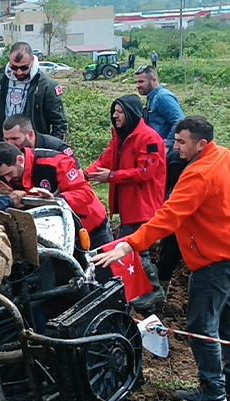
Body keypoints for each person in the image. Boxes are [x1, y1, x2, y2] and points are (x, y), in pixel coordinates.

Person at [92, 116, 230, 401]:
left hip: (215, 261)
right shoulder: (226, 156)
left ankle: (213, 390)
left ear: (201, 144)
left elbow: (168, 216)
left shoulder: (198, 174)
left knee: (201, 324)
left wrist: (129, 244)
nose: (175, 146)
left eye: (182, 142)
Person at [86, 94, 167, 310]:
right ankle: (147, 296)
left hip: (144, 205)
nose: (114, 116)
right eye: (114, 111)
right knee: (138, 249)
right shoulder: (120, 138)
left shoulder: (149, 138)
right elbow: (104, 160)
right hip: (129, 206)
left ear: (131, 113)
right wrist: (81, 175)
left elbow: (145, 172)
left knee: (130, 246)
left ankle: (149, 292)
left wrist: (111, 176)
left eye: (119, 111)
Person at [0, 142, 111, 249]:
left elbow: (85, 194)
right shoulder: (6, 172)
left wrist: (53, 200)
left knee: (103, 272)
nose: (8, 178)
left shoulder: (56, 162)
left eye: (9, 173)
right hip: (54, 234)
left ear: (20, 160)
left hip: (90, 227)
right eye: (4, 176)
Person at [135, 65, 187, 292]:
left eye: (141, 83)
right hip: (157, 157)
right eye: (137, 82)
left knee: (166, 198)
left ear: (153, 80)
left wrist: (165, 146)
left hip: (169, 159)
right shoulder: (151, 99)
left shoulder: (163, 98)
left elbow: (179, 121)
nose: (138, 86)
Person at [0, 42, 68, 149]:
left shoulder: (46, 86)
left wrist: (50, 152)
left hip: (33, 149)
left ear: (32, 61)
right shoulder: (0, 82)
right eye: (14, 67)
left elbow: (59, 124)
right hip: (3, 146)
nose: (19, 72)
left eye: (24, 68)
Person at [2, 114, 75, 154]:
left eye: (14, 139)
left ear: (30, 134)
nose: (9, 144)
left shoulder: (57, 147)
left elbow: (78, 175)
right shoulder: (6, 151)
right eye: (6, 139)